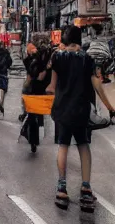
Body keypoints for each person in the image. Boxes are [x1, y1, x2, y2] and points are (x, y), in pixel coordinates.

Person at [48, 26, 115, 213]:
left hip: (62, 110)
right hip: (81, 110)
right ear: (80, 40)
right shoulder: (87, 59)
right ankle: (86, 188)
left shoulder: (57, 58)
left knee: (63, 146)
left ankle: (62, 188)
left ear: (64, 40)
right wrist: (110, 108)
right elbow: (98, 86)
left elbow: (52, 86)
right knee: (83, 146)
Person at [21, 34, 53, 153]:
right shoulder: (51, 55)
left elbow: (34, 76)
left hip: (34, 88)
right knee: (42, 114)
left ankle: (33, 139)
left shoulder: (34, 58)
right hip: (47, 90)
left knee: (32, 113)